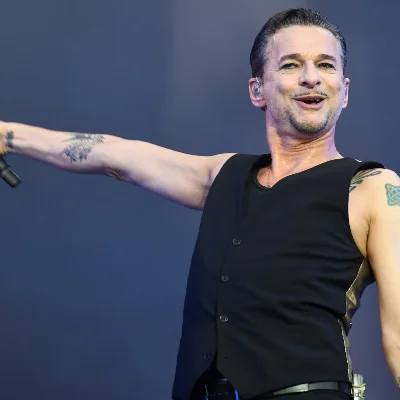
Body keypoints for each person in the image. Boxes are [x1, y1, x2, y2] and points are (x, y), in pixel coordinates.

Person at [0, 7, 399, 400]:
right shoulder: (224, 175)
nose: (311, 77)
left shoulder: (372, 188)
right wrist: (8, 135)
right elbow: (115, 156)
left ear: (345, 91)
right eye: (292, 65)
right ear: (257, 90)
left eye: (326, 65)